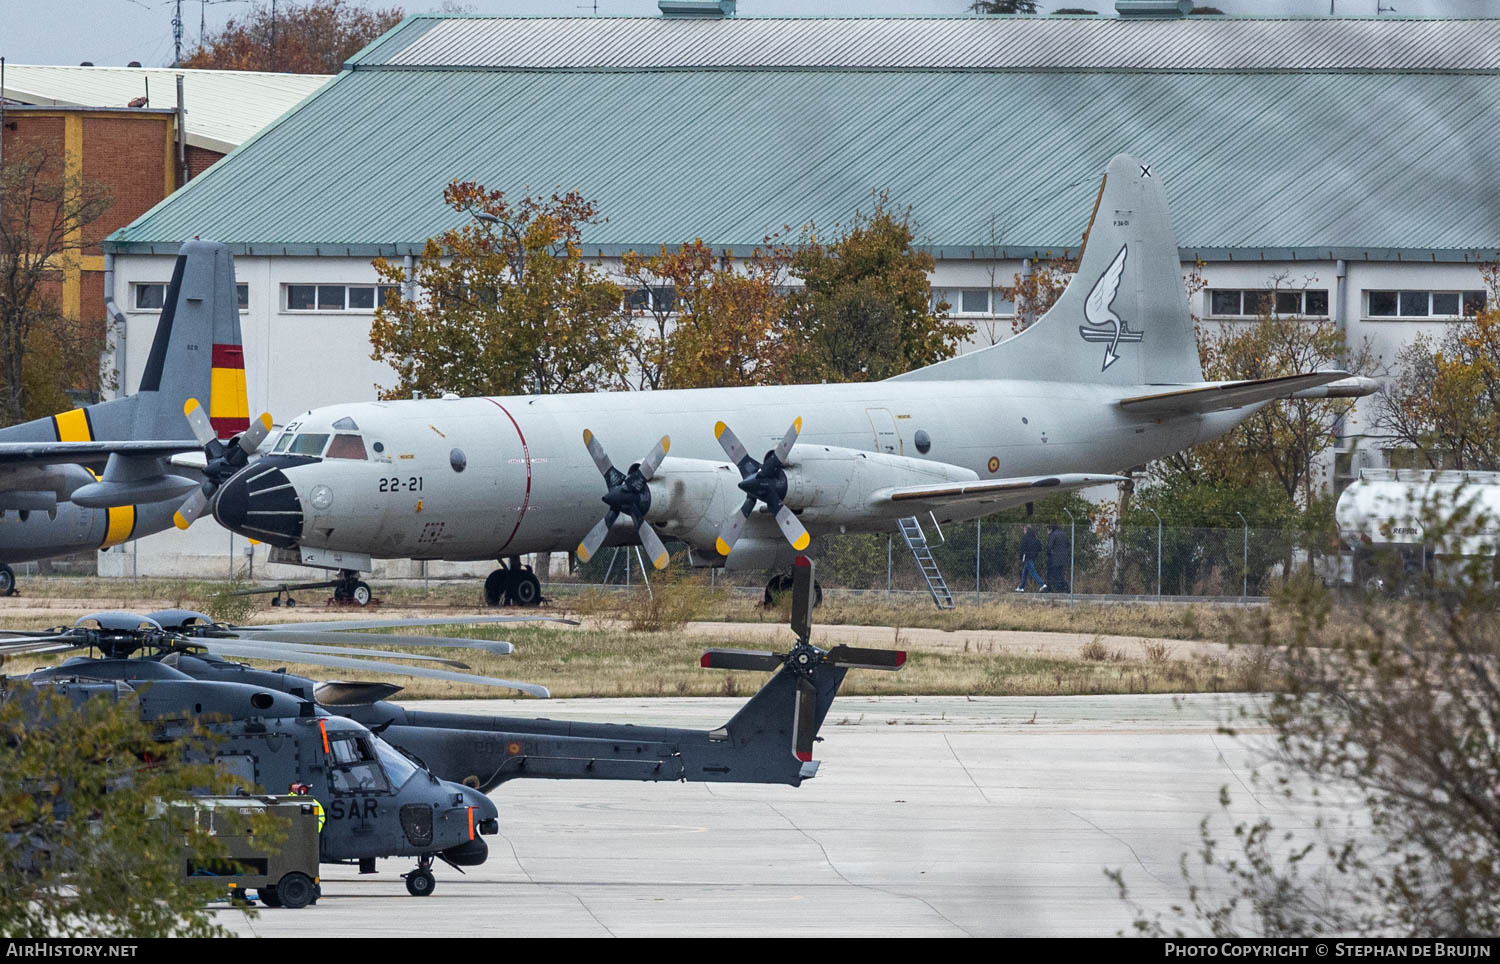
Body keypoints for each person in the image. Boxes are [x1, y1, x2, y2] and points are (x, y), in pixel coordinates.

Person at [1015, 525, 1045, 592]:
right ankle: (1021, 587)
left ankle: (1042, 584)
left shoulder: (1025, 537)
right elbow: (1040, 547)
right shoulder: (1035, 537)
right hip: (1033, 557)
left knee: (1032, 572)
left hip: (1027, 557)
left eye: (1024, 530)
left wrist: (1021, 556)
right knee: (1024, 572)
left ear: (1026, 529)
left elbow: (1022, 548)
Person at [1045, 523, 1071, 593]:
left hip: (1055, 557)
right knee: (1061, 574)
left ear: (1051, 529)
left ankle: (1059, 589)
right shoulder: (1064, 534)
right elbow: (1068, 544)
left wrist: (1048, 553)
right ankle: (1065, 588)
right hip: (1063, 557)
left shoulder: (1053, 535)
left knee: (1056, 574)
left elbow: (1049, 547)